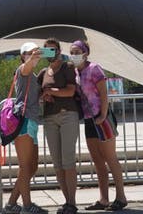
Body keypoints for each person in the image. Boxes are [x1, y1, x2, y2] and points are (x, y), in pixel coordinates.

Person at [71, 40, 128, 212]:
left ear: (85, 53)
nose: (73, 55)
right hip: (89, 120)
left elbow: (104, 94)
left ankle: (121, 197)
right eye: (72, 52)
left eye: (76, 51)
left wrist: (103, 115)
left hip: (102, 118)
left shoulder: (94, 68)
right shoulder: (75, 72)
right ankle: (103, 199)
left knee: (110, 158)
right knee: (97, 160)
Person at [2, 42, 48, 214]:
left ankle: (12, 204)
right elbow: (26, 67)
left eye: (35, 52)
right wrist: (33, 58)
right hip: (24, 122)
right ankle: (27, 206)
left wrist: (43, 95)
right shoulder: (23, 69)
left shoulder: (32, 74)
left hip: (32, 122)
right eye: (28, 53)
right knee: (25, 166)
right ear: (23, 56)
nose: (33, 55)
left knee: (32, 166)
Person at [38, 38, 81, 214]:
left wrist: (51, 91)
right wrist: (44, 96)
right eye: (46, 50)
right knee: (57, 164)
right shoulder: (42, 72)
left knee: (68, 161)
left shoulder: (67, 66)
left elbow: (71, 91)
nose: (50, 53)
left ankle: (72, 203)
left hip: (67, 115)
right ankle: (66, 202)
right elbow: (39, 93)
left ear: (58, 50)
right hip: (49, 118)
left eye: (53, 49)